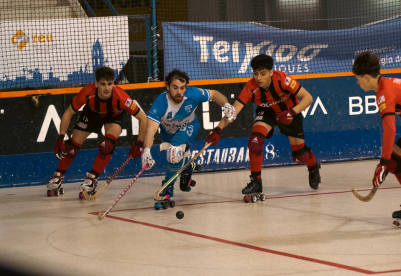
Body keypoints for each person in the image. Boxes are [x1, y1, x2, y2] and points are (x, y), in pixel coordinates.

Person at [204, 54, 321, 201]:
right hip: (267, 112)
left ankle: (313, 166)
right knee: (255, 142)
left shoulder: (282, 80)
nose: (258, 78)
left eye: (263, 73)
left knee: (300, 156)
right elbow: (234, 111)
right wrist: (218, 129)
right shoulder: (250, 87)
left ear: (271, 72)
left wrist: (292, 112)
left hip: (289, 112)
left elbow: (308, 98)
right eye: (255, 73)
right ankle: (256, 181)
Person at [141, 69, 236, 210]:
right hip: (168, 134)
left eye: (182, 88)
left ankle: (166, 190)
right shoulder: (160, 102)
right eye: (175, 88)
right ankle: (187, 166)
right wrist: (146, 151)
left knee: (174, 153)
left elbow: (215, 94)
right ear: (167, 86)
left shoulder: (193, 93)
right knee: (175, 157)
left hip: (190, 126)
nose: (179, 92)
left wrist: (226, 105)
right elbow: (151, 129)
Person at [46, 67, 147, 198]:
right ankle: (58, 176)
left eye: (110, 84)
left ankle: (92, 179)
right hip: (92, 114)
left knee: (107, 145)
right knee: (71, 147)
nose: (107, 88)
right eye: (103, 84)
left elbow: (142, 118)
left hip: (114, 117)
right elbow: (68, 113)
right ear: (96, 84)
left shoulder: (121, 97)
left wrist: (139, 143)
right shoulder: (87, 92)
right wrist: (60, 137)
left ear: (113, 83)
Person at [352, 51, 401, 220]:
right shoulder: (386, 84)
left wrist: (382, 163)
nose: (357, 83)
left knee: (391, 162)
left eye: (357, 78)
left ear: (366, 77)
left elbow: (390, 129)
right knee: (395, 162)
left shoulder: (384, 93)